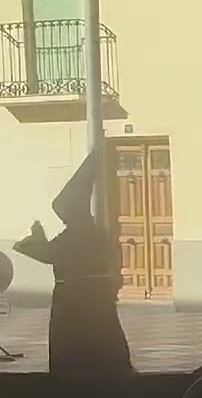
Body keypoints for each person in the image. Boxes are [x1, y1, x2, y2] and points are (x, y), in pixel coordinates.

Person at [13, 146, 133, 380]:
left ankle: (72, 376)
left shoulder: (74, 234)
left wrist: (35, 237)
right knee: (102, 335)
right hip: (96, 295)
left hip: (72, 298)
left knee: (74, 341)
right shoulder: (95, 232)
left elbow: (50, 254)